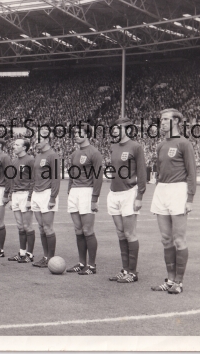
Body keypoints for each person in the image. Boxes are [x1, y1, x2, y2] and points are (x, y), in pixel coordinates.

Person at [151, 108, 196, 294]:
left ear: (176, 122)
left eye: (166, 119)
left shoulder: (184, 143)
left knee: (179, 239)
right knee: (165, 239)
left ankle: (179, 282)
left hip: (178, 190)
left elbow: (191, 172)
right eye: (161, 119)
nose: (161, 122)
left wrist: (190, 198)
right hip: (162, 190)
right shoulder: (160, 145)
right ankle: (170, 280)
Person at [107, 117, 147, 283]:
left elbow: (142, 172)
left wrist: (140, 196)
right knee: (120, 233)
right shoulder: (113, 146)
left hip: (129, 193)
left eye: (118, 127)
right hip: (113, 193)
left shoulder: (136, 147)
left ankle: (132, 272)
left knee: (130, 233)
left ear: (127, 129)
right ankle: (124, 270)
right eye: (114, 128)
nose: (115, 130)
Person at [66, 125, 103, 275]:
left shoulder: (94, 153)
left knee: (88, 230)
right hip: (74, 192)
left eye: (79, 133)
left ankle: (92, 266)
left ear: (88, 135)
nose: (76, 135)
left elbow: (98, 176)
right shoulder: (75, 153)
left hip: (87, 192)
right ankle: (82, 263)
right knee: (78, 230)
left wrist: (94, 198)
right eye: (75, 132)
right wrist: (69, 190)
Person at [31, 127, 60, 268]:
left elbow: (55, 178)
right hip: (36, 194)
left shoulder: (52, 155)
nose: (35, 142)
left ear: (47, 140)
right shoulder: (38, 155)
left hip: (47, 193)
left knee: (48, 227)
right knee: (41, 228)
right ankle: (45, 256)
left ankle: (51, 258)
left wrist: (53, 197)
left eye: (38, 139)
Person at [8, 138, 35, 263]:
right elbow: (12, 180)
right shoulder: (14, 162)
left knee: (27, 226)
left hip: (25, 194)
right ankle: (22, 253)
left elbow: (33, 180)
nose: (14, 146)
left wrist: (30, 198)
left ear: (24, 147)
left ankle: (30, 254)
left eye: (17, 144)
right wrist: (10, 197)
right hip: (16, 195)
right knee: (20, 226)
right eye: (14, 144)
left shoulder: (30, 160)